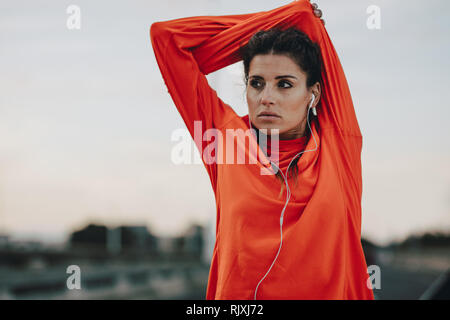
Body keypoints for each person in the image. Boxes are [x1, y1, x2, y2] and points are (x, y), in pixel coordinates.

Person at [150, 0, 375, 300]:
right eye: (257, 83)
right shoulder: (223, 139)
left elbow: (308, 25)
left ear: (314, 94)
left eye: (284, 84)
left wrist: (298, 17)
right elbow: (166, 38)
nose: (266, 97)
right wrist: (279, 19)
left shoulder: (339, 146)